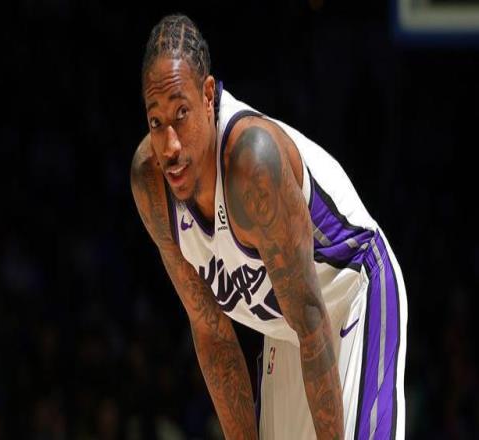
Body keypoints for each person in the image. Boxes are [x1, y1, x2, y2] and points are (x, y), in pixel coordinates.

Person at [131, 14, 407, 440]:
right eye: (156, 122)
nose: (170, 146)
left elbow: (312, 320)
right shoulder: (150, 183)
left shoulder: (252, 163)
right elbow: (213, 337)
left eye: (181, 113)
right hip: (290, 326)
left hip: (352, 289)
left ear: (208, 95)